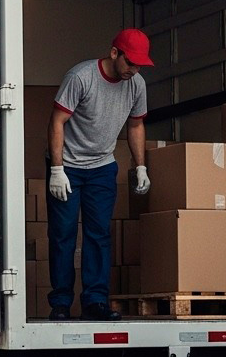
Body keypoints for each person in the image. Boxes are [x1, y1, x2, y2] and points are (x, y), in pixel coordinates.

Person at [46, 29, 153, 322]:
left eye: (140, 65)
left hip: (102, 168)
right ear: (114, 53)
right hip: (67, 166)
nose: (134, 70)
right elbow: (58, 121)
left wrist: (139, 166)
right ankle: (61, 303)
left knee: (98, 235)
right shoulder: (80, 77)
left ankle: (94, 301)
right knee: (63, 235)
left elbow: (135, 125)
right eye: (130, 62)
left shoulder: (137, 85)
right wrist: (57, 170)